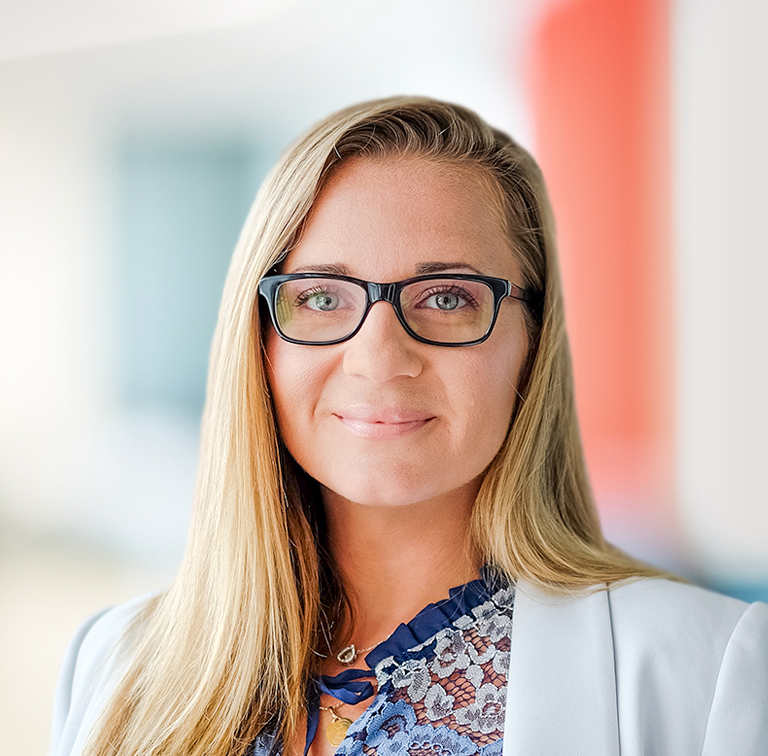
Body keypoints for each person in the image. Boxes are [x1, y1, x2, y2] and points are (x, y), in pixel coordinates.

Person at [50, 97, 768, 756]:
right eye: (321, 297)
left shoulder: (709, 669)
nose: (379, 359)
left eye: (447, 296)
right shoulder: (114, 662)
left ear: (533, 342)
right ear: (259, 340)